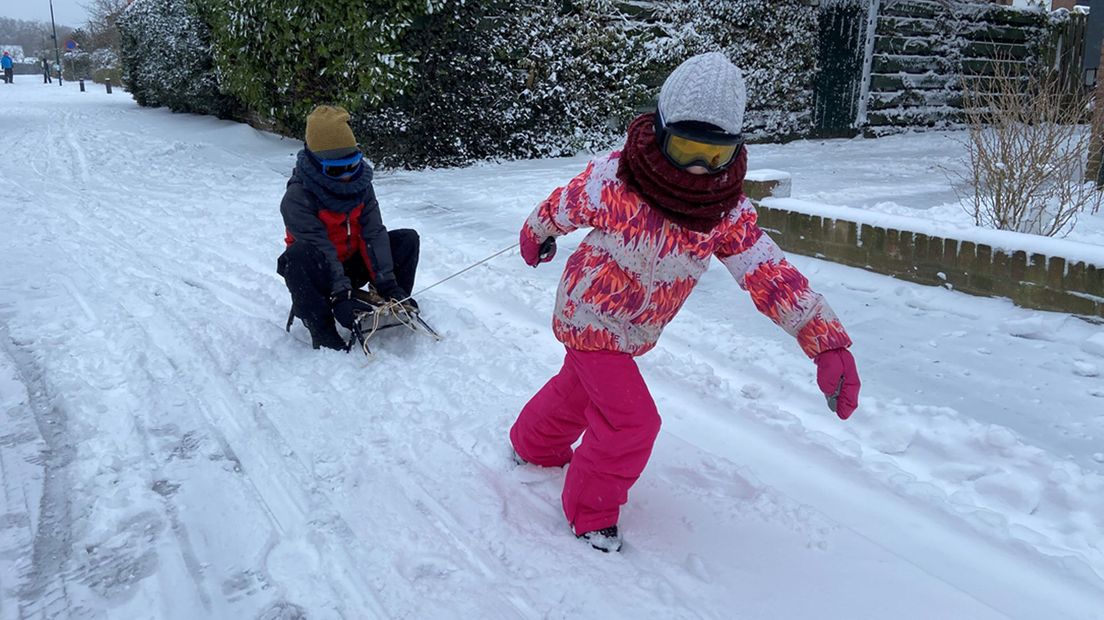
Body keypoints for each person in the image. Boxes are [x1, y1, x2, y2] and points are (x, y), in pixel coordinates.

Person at [509, 53, 862, 553]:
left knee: (578, 390)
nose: (699, 167)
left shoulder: (723, 209)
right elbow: (563, 204)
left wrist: (824, 340)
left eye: (714, 155)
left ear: (735, 149)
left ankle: (533, 445)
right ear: (661, 129)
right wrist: (536, 232)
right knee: (632, 421)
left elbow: (767, 271)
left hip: (636, 328)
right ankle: (590, 511)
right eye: (687, 148)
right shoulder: (617, 180)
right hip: (589, 311)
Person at [277, 105, 420, 351]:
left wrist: (387, 282)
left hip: (351, 262)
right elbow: (320, 246)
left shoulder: (362, 187)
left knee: (406, 239)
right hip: (317, 272)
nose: (346, 175)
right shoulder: (298, 196)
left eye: (352, 165)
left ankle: (391, 303)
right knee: (296, 257)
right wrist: (341, 295)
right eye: (335, 169)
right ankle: (321, 330)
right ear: (315, 163)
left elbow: (373, 234)